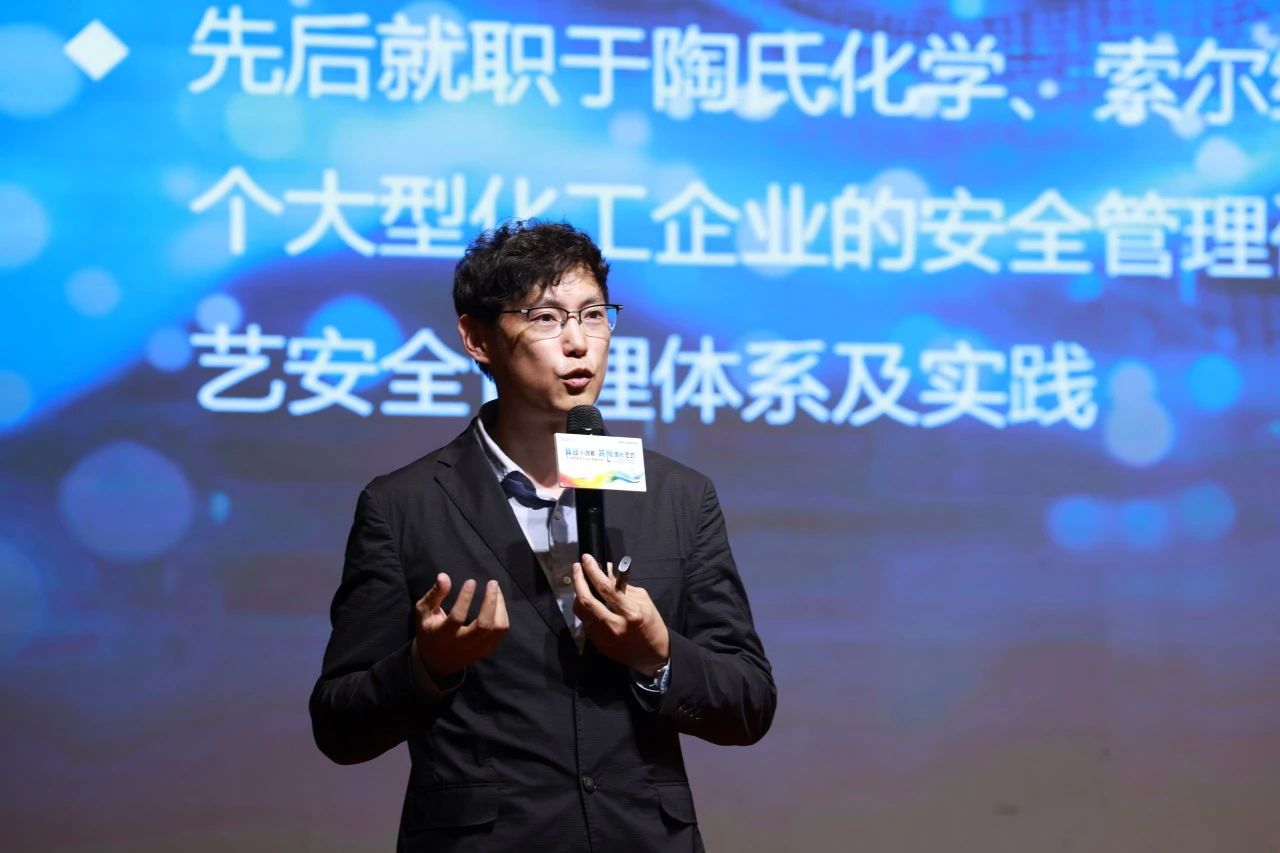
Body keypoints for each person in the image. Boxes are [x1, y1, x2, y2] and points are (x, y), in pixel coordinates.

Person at [309, 220, 775, 852]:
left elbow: (749, 703)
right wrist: (428, 667)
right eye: (547, 318)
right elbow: (339, 726)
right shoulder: (403, 506)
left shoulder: (678, 497)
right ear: (477, 338)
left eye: (593, 315)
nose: (579, 343)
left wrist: (658, 654)